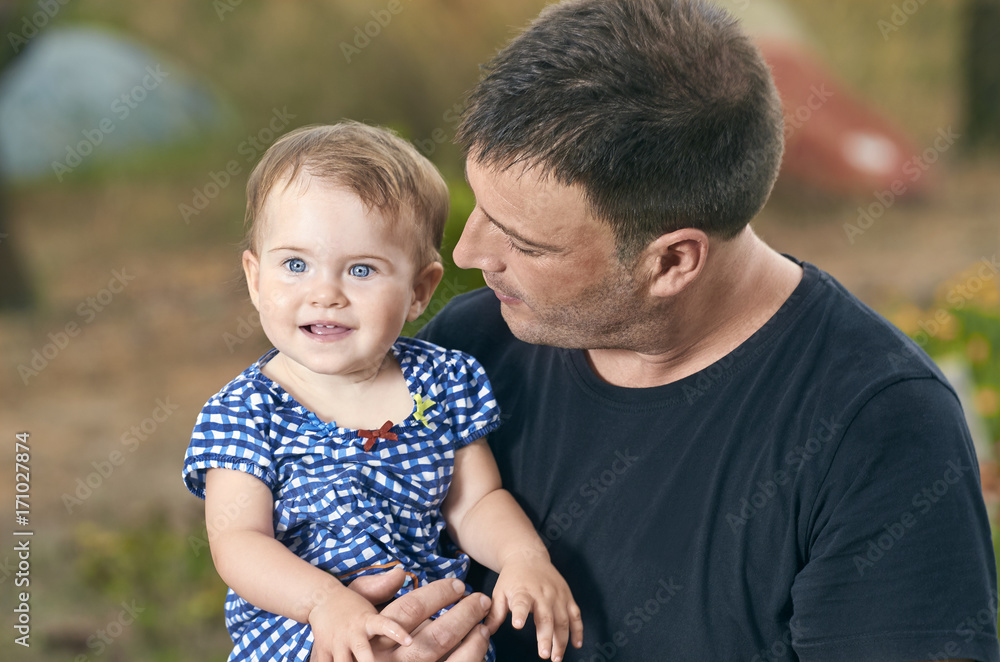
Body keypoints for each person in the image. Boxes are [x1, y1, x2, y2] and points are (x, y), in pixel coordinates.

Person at [377, 0, 997, 660]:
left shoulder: (876, 428)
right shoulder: (465, 351)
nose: (469, 253)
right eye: (480, 205)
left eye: (525, 243)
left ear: (672, 261)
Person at [181, 122, 582, 662]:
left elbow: (474, 501)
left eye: (362, 270)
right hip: (302, 635)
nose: (325, 294)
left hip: (431, 633)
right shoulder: (244, 411)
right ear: (256, 278)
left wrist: (523, 556)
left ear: (419, 290)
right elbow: (239, 542)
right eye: (295, 265)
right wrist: (325, 602)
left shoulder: (442, 381)